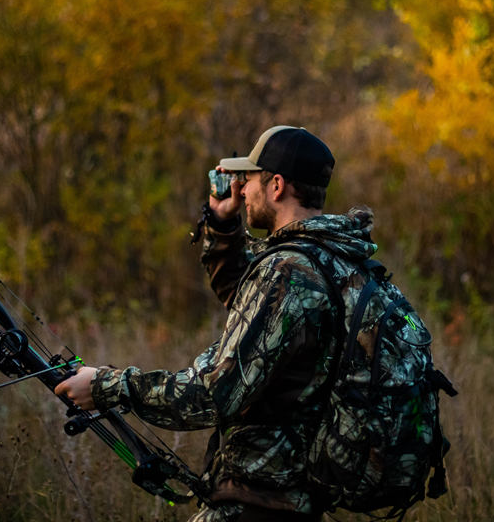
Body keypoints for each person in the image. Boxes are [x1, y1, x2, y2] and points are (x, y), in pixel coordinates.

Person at [55, 126, 381, 522]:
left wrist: (106, 386)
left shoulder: (289, 273)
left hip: (261, 503)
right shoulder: (337, 260)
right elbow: (258, 313)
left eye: (250, 181)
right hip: (296, 501)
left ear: (276, 186)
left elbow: (213, 395)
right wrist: (224, 225)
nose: (241, 190)